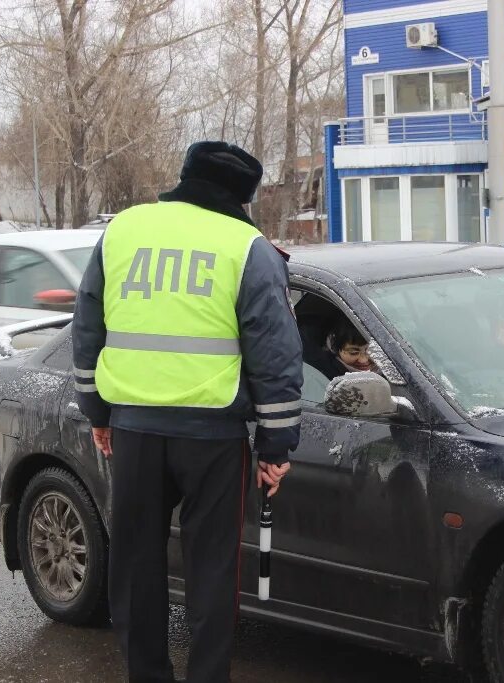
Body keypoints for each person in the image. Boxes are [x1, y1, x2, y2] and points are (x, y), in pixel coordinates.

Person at [72, 141, 303, 683]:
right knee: (212, 574)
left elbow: (87, 327)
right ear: (239, 199)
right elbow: (277, 355)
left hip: (133, 431)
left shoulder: (123, 231)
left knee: (135, 568)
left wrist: (97, 412)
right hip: (213, 438)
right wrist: (275, 447)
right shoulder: (247, 248)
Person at [302, 318, 376, 380]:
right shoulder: (326, 376)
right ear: (335, 348)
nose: (363, 360)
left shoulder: (385, 365)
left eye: (371, 350)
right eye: (353, 352)